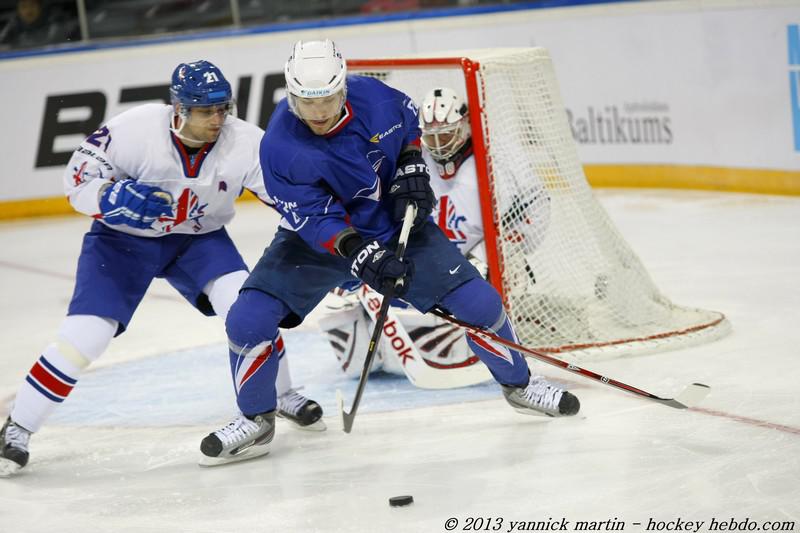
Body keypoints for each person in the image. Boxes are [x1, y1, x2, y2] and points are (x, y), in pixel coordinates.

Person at [198, 40, 580, 466]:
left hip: (395, 225)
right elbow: (314, 218)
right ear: (291, 96)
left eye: (326, 99)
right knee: (249, 318)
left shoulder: (379, 100)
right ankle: (256, 419)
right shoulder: (279, 146)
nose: (318, 113)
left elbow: (409, 125)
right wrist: (363, 255)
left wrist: (412, 166)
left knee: (479, 302)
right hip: (318, 241)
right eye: (307, 104)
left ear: (342, 89)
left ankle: (521, 386)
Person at [0, 60, 324, 477]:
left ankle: (281, 394)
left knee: (248, 307)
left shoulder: (244, 142)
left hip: (198, 239)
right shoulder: (134, 129)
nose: (218, 119)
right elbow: (77, 181)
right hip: (121, 243)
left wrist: (327, 236)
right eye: (206, 111)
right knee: (86, 336)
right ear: (179, 109)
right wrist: (111, 196)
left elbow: (289, 200)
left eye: (223, 108)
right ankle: (19, 427)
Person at [319, 87, 551, 387]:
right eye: (431, 137)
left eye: (446, 135)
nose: (439, 145)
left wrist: (499, 251)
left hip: (471, 265)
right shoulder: (413, 162)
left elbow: (534, 207)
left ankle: (491, 342)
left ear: (465, 125)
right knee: (348, 294)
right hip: (427, 259)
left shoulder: (496, 161)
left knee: (498, 271)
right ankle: (390, 345)